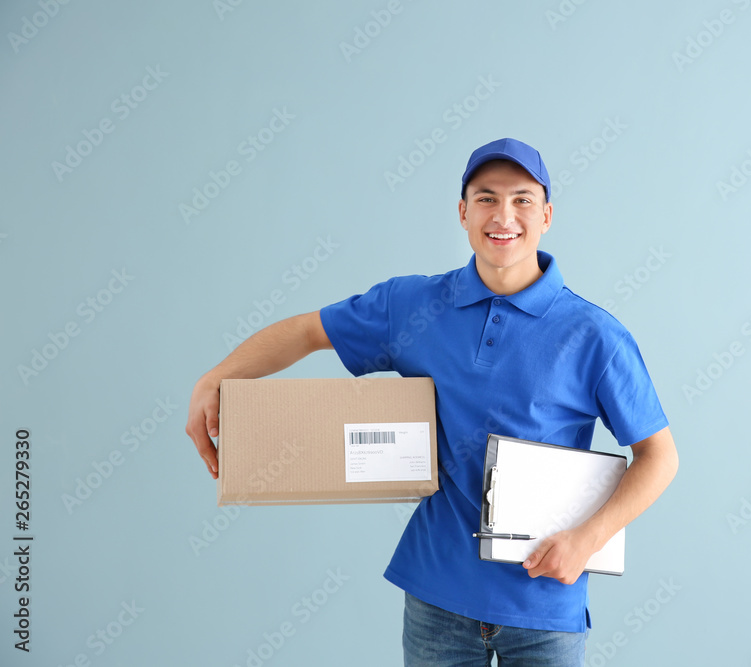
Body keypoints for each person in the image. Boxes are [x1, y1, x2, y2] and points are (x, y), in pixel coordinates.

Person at [186, 137, 679, 666]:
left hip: (543, 605)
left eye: (522, 199)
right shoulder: (413, 306)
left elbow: (660, 457)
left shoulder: (593, 335)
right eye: (486, 198)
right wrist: (217, 377)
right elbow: (309, 331)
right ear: (463, 213)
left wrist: (587, 540)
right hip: (436, 600)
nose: (503, 215)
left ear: (547, 215)